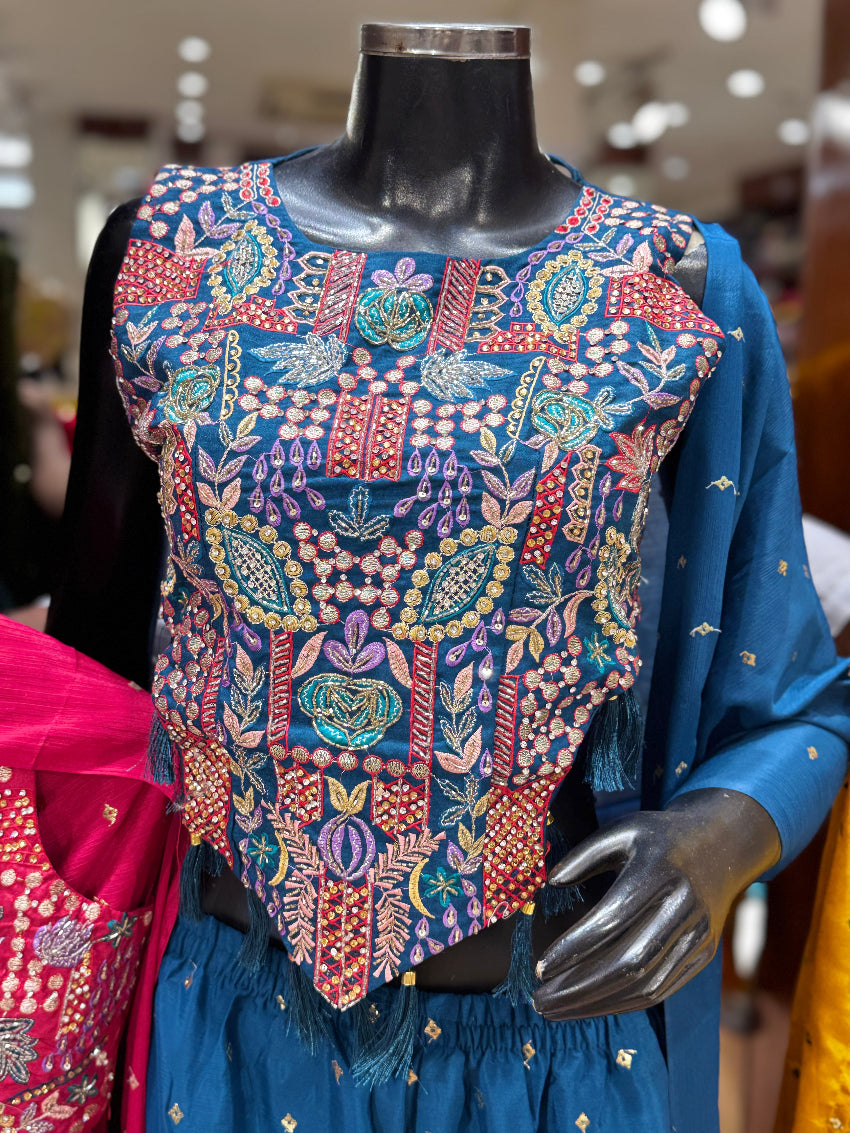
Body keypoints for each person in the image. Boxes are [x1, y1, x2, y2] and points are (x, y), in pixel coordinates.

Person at [45, 23, 849, 1133]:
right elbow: (89, 666)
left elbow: (802, 696)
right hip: (228, 1025)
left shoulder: (673, 285)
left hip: (546, 1043)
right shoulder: (171, 253)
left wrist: (719, 839)